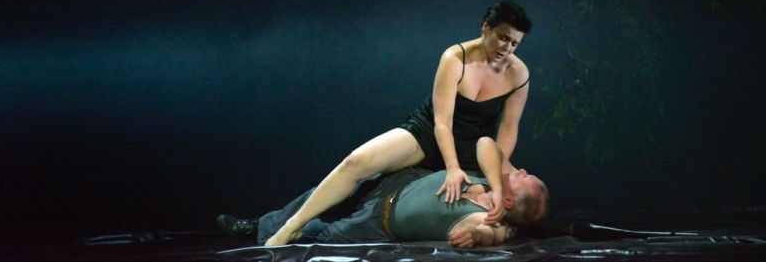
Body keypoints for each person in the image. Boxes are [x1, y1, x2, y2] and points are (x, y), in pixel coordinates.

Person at [265, 0, 533, 246]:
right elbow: (442, 122)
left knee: (496, 209)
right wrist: (451, 167)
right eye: (503, 38)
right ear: (486, 28)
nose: (507, 49)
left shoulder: (518, 73)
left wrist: (499, 177)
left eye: (514, 44)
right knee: (356, 163)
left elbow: (509, 128)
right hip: (429, 133)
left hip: (471, 150)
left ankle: (288, 224)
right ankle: (290, 225)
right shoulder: (455, 58)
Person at [218, 138, 549, 248]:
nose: (519, 170)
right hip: (400, 180)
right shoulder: (495, 181)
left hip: (380, 220)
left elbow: (487, 233)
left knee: (319, 232)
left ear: (509, 202)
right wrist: (488, 181)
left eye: (524, 177)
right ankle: (265, 224)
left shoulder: (489, 221)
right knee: (322, 192)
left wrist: (482, 236)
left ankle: (258, 231)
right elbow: (485, 144)